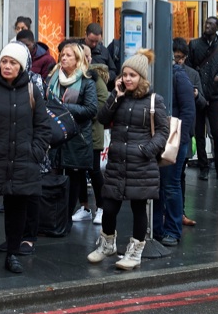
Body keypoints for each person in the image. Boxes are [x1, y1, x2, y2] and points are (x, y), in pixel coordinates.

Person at [0, 43, 49, 274]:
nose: (7, 66)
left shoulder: (32, 90)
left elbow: (42, 126)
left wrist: (34, 152)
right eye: (4, 61)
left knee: (17, 209)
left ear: (21, 66)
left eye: (13, 62)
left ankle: (13, 253)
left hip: (23, 160)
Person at [88, 49, 168, 271]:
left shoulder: (154, 100)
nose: (127, 79)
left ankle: (135, 253)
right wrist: (115, 96)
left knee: (138, 208)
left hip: (141, 164)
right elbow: (102, 119)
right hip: (117, 163)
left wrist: (146, 150)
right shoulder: (119, 97)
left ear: (142, 77)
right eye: (124, 75)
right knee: (109, 207)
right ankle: (107, 245)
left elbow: (163, 131)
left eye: (132, 75)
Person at [47, 41, 99, 233]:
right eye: (62, 55)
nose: (64, 58)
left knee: (74, 179)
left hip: (77, 137)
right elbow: (45, 101)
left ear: (77, 60)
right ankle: (52, 218)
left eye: (68, 55)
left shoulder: (87, 81)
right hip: (54, 137)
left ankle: (66, 219)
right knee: (53, 177)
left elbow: (91, 109)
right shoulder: (53, 77)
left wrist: (62, 107)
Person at [152, 55, 195, 246]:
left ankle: (172, 230)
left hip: (173, 139)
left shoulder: (179, 76)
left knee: (170, 185)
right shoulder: (153, 76)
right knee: (158, 185)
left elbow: (188, 110)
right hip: (156, 137)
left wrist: (178, 140)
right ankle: (157, 229)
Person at [187, 16, 218, 182]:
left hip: (214, 94)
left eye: (211, 24)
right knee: (199, 132)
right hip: (198, 93)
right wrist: (193, 84)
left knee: (216, 132)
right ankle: (203, 167)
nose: (207, 26)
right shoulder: (194, 44)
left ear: (217, 28)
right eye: (206, 23)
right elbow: (189, 66)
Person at [73, 44, 111, 224]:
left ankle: (102, 208)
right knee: (78, 170)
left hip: (92, 132)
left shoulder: (96, 79)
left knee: (94, 171)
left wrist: (82, 113)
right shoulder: (71, 78)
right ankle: (84, 206)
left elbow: (102, 105)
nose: (87, 59)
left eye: (87, 56)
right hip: (75, 133)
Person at [171, 39, 206, 226]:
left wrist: (196, 95)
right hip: (168, 130)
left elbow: (203, 103)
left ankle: (180, 212)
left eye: (182, 58)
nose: (179, 61)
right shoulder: (164, 71)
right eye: (176, 57)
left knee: (180, 175)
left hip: (185, 131)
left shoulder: (192, 74)